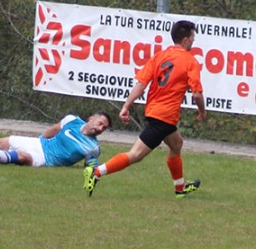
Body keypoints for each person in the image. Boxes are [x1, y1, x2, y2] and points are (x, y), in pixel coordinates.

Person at [84, 20, 206, 198]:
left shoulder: (160, 56)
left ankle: (180, 188)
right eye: (193, 38)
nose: (194, 41)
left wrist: (127, 105)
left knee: (176, 144)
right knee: (136, 155)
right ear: (186, 40)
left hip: (155, 112)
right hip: (164, 117)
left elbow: (142, 84)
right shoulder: (190, 61)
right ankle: (96, 172)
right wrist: (202, 111)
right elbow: (197, 94)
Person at [0, 112, 112, 168]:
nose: (100, 129)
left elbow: (89, 167)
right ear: (91, 119)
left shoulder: (93, 147)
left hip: (46, 159)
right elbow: (53, 130)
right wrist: (39, 140)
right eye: (100, 124)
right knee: (0, 142)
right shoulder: (72, 120)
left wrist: (93, 172)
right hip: (39, 144)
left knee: (22, 157)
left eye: (104, 128)